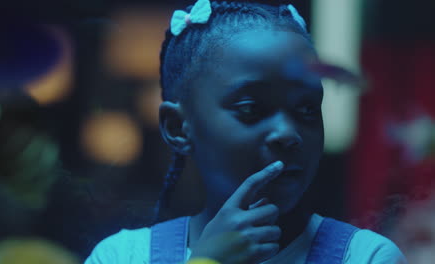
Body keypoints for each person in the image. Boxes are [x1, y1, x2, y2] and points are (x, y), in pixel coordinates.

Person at [85, 0, 407, 263]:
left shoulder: (365, 257)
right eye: (251, 108)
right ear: (178, 127)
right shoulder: (122, 256)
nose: (287, 133)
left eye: (307, 109)